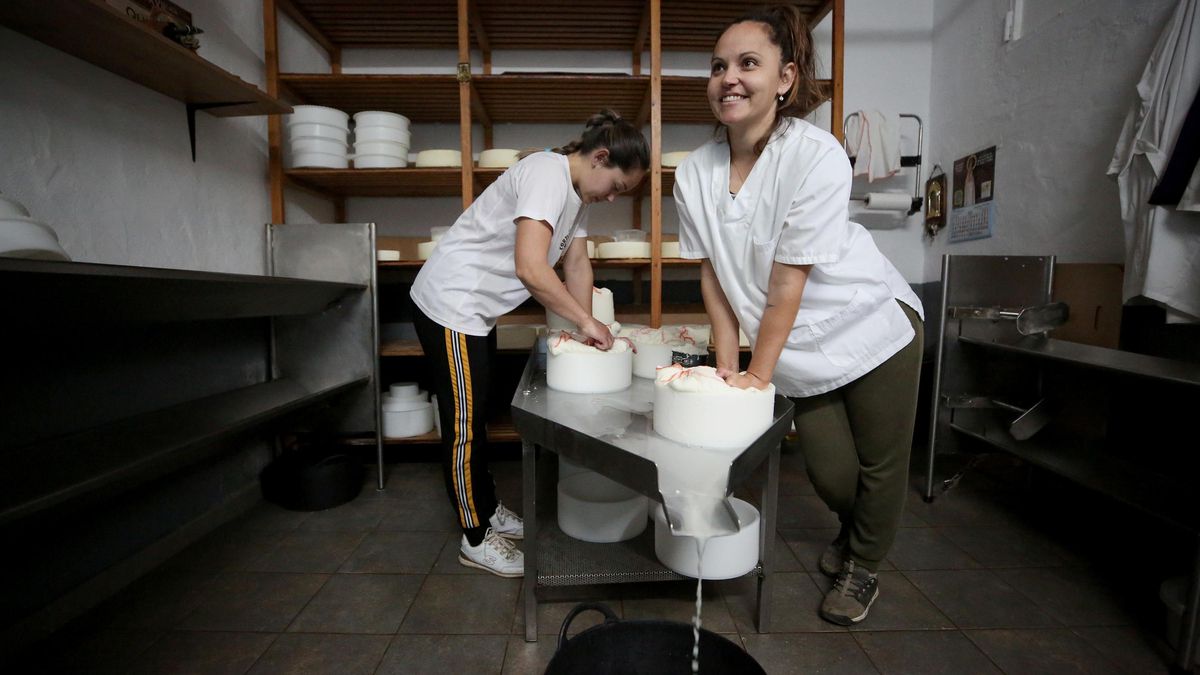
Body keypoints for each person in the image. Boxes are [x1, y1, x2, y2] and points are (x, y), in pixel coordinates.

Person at [673, 6, 924, 625]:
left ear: (785, 79)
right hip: (794, 348)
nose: (728, 78)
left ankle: (863, 566)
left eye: (748, 64)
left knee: (881, 464)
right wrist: (727, 371)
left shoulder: (815, 155)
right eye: (719, 66)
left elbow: (790, 277)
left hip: (871, 326)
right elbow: (714, 275)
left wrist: (758, 376)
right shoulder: (692, 172)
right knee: (834, 477)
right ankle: (855, 530)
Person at [409, 110, 649, 578]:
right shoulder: (546, 173)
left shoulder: (576, 195)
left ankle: (487, 504)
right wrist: (585, 322)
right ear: (600, 157)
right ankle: (475, 537)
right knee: (463, 424)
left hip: (475, 312)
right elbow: (531, 267)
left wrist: (585, 331)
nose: (613, 197)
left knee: (477, 413)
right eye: (617, 185)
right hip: (450, 304)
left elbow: (577, 267)